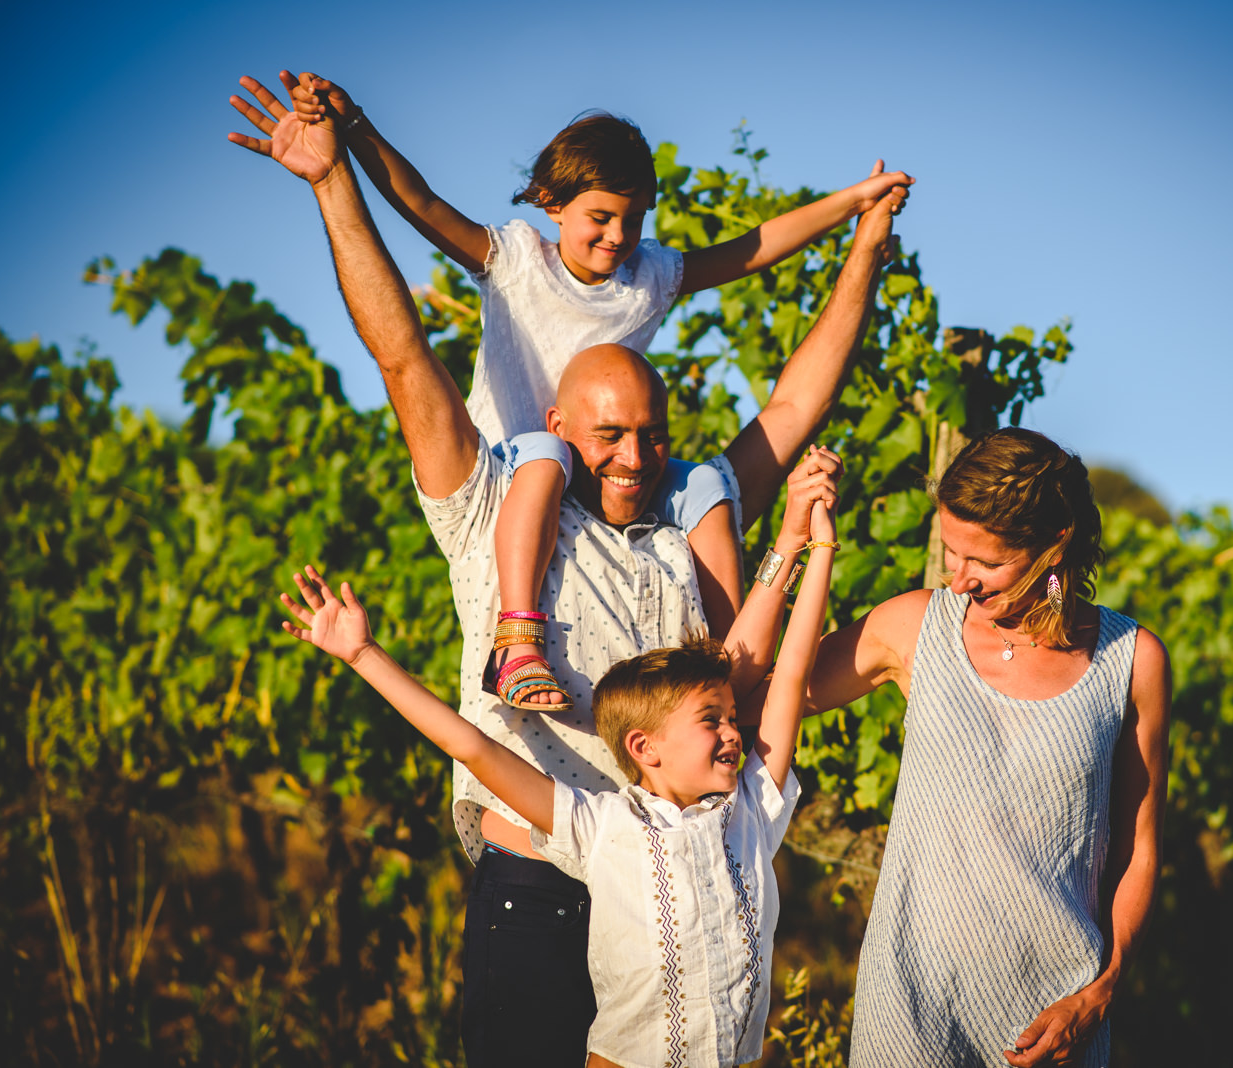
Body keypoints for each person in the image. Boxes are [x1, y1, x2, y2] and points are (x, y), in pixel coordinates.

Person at [226, 72, 898, 1065]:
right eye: (610, 436)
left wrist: (863, 249)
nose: (634, 456)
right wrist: (335, 182)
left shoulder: (682, 525)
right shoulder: (495, 510)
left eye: (651, 436)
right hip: (538, 885)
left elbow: (798, 405)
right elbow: (404, 358)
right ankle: (517, 641)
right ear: (560, 430)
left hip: (672, 886)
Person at [284, 72, 911, 710]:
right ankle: (519, 637)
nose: (617, 236)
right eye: (601, 217)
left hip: (592, 465)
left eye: (634, 220)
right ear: (551, 202)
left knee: (707, 485)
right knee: (548, 456)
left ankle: (729, 664)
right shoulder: (515, 259)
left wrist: (853, 204)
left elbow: (749, 250)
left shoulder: (649, 276)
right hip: (515, 458)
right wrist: (356, 130)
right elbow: (421, 205)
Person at [277, 451, 841, 1068]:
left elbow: (789, 677)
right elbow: (471, 745)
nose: (735, 733)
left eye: (732, 718)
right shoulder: (604, 828)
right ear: (642, 748)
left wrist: (818, 551)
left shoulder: (750, 813)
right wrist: (363, 656)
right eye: (712, 721)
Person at [779, 428, 1171, 1068]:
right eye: (950, 553)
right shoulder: (911, 626)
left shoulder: (1132, 661)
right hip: (910, 1004)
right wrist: (796, 542)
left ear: (1054, 546)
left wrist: (1102, 991)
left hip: (1054, 1019)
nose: (958, 580)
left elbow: (1139, 843)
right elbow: (772, 693)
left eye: (985, 564)